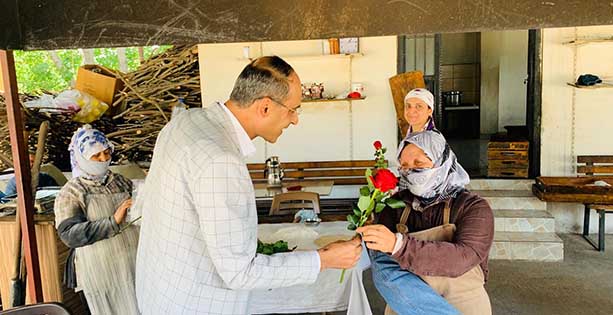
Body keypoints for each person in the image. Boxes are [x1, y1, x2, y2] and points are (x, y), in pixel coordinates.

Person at [135, 56, 362, 314]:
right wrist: (323, 260)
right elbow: (240, 272)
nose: (295, 120)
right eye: (293, 110)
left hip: (159, 292)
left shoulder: (185, 122)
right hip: (195, 304)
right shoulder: (220, 160)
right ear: (265, 107)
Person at [357, 131, 494, 315]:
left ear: (441, 161)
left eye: (419, 164)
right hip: (405, 305)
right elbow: (381, 261)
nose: (410, 171)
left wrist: (399, 245)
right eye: (404, 166)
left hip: (462, 303)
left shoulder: (473, 207)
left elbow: (462, 258)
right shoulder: (396, 204)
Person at [54, 125, 139, 315]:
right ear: (81, 157)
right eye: (96, 156)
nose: (104, 159)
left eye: (107, 153)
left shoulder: (120, 182)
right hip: (101, 271)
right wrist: (112, 221)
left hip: (132, 264)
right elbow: (70, 235)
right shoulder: (73, 191)